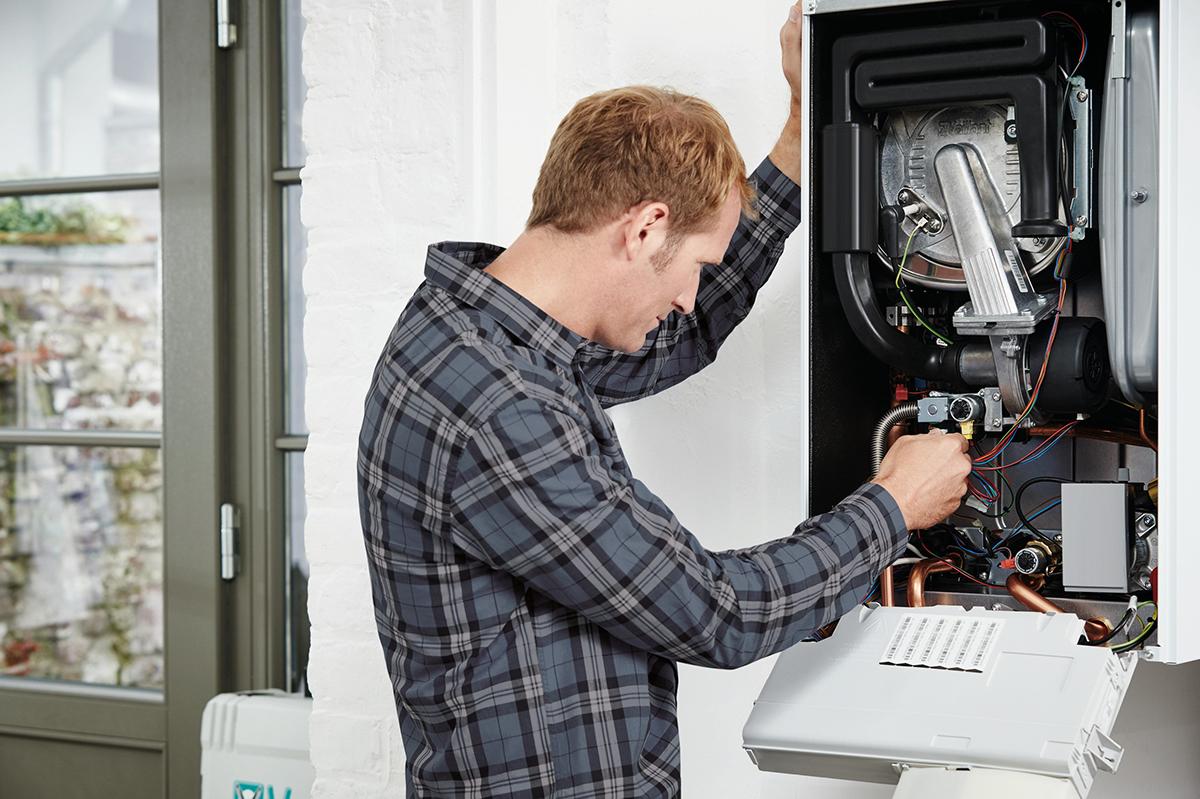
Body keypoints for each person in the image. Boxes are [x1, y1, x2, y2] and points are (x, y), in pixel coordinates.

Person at [357, 4, 972, 796]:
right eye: (693, 265)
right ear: (645, 229)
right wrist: (892, 504)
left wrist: (796, 130)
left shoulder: (482, 332)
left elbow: (684, 332)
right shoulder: (495, 406)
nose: (689, 297)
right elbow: (712, 612)